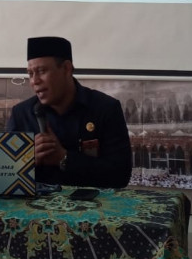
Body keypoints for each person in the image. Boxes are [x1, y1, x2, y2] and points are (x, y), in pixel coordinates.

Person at [7, 36, 132, 188]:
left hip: (91, 202)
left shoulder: (105, 108)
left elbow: (120, 176)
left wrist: (64, 158)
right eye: (30, 74)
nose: (34, 81)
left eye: (41, 71)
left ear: (66, 69)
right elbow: (6, 176)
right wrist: (29, 160)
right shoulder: (21, 114)